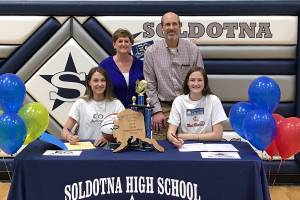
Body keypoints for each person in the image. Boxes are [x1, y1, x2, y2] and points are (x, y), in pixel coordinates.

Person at [143, 11, 204, 139]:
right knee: (161, 150)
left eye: (174, 24)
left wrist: (198, 108)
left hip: (189, 106)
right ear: (162, 28)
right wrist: (157, 111)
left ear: (180, 26)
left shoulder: (193, 50)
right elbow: (150, 84)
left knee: (191, 147)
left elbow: (199, 81)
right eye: (167, 24)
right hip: (164, 109)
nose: (171, 28)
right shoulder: (151, 52)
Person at [61, 67, 125, 146]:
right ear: (89, 82)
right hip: (86, 150)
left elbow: (125, 129)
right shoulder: (80, 103)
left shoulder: (116, 104)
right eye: (96, 80)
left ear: (106, 83)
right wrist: (69, 136)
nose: (100, 84)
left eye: (103, 80)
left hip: (109, 150)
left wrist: (109, 137)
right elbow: (65, 130)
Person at [167, 67, 227, 148]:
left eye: (199, 80)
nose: (196, 83)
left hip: (209, 146)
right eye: (192, 80)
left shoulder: (214, 100)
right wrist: (174, 140)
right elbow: (170, 133)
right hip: (185, 145)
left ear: (205, 82)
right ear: (187, 83)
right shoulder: (178, 101)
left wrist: (188, 136)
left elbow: (218, 135)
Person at [100, 28, 143, 108]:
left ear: (131, 44)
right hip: (113, 113)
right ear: (114, 44)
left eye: (126, 41)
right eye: (120, 41)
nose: (123, 44)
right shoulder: (105, 65)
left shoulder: (140, 65)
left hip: (137, 115)